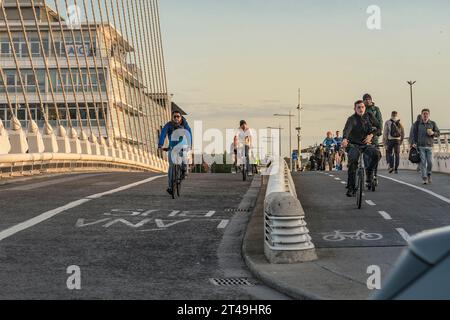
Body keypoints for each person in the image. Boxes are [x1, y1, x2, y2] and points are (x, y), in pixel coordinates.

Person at [342, 100, 381, 197]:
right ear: (354, 109)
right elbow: (346, 130)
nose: (361, 109)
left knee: (377, 154)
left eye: (362, 107)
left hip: (366, 144)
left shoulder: (369, 116)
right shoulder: (351, 119)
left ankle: (369, 172)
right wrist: (345, 139)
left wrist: (371, 135)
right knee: (352, 162)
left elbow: (379, 128)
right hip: (354, 145)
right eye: (358, 107)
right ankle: (351, 188)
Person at [158, 111, 192, 196]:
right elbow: (163, 133)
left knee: (184, 157)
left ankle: (184, 169)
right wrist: (160, 145)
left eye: (178, 116)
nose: (176, 118)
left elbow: (189, 134)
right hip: (172, 147)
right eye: (174, 117)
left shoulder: (185, 125)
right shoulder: (169, 125)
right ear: (172, 118)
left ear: (181, 118)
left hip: (182, 146)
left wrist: (189, 145)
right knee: (171, 167)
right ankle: (170, 187)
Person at [411, 108, 440, 185]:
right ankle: (424, 178)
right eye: (424, 113)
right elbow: (414, 134)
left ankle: (429, 174)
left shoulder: (432, 123)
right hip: (420, 146)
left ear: (429, 115)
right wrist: (413, 143)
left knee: (430, 162)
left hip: (430, 146)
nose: (425, 115)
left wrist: (433, 133)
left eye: (426, 113)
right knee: (423, 163)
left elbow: (438, 133)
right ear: (421, 115)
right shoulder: (417, 124)